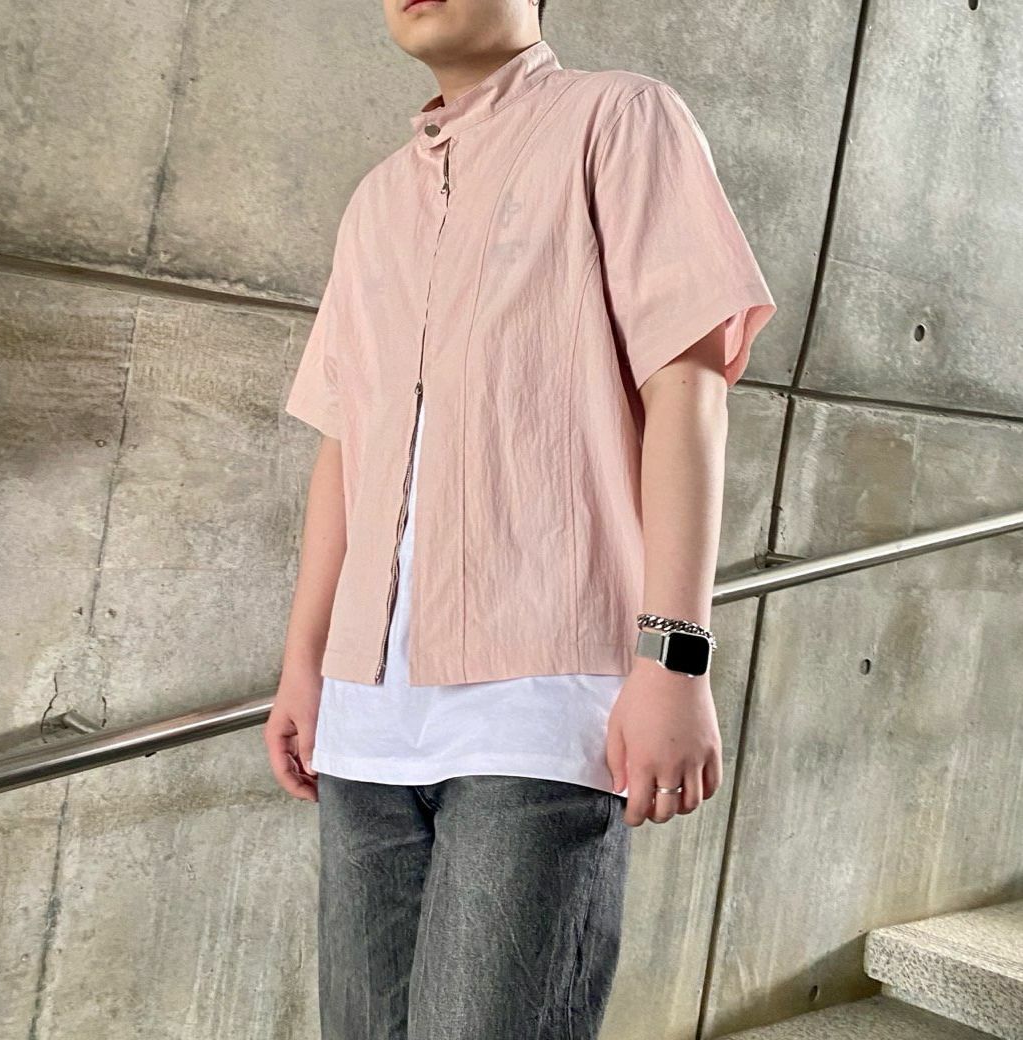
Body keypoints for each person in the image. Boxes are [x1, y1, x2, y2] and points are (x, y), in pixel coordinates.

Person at [265, 0, 777, 1036]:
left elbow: (685, 391)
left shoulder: (619, 119)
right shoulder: (376, 200)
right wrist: (302, 664)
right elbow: (345, 446)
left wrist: (673, 658)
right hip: (364, 719)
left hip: (540, 699)